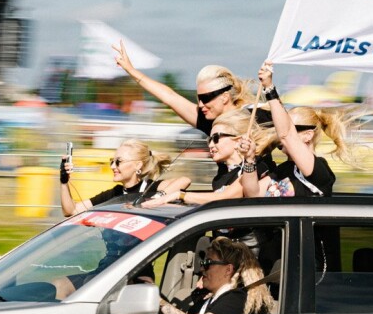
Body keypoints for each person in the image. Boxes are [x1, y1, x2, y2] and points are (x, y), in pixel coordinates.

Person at [239, 60, 354, 198]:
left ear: (308, 135)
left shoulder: (319, 169)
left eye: (293, 128)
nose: (280, 131)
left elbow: (287, 135)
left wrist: (269, 88)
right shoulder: (282, 170)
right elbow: (253, 194)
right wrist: (249, 159)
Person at [113, 42, 258, 136]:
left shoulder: (255, 117)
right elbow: (169, 97)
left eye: (206, 98)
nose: (200, 105)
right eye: (199, 98)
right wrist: (131, 71)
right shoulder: (208, 120)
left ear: (225, 97)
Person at [147, 108, 274, 207]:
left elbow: (227, 197)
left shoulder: (254, 167)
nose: (211, 145)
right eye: (209, 140)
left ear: (238, 140)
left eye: (216, 138)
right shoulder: (223, 172)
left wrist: (180, 195)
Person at [60, 139, 188, 216]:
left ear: (137, 165)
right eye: (112, 161)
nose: (112, 166)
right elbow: (71, 211)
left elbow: (184, 181)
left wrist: (156, 198)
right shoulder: (113, 194)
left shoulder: (151, 187)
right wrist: (64, 182)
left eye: (118, 162)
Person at [159, 236, 272, 314]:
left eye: (208, 263)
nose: (202, 268)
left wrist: (159, 302)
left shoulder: (237, 298)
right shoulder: (210, 299)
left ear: (228, 270)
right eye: (202, 263)